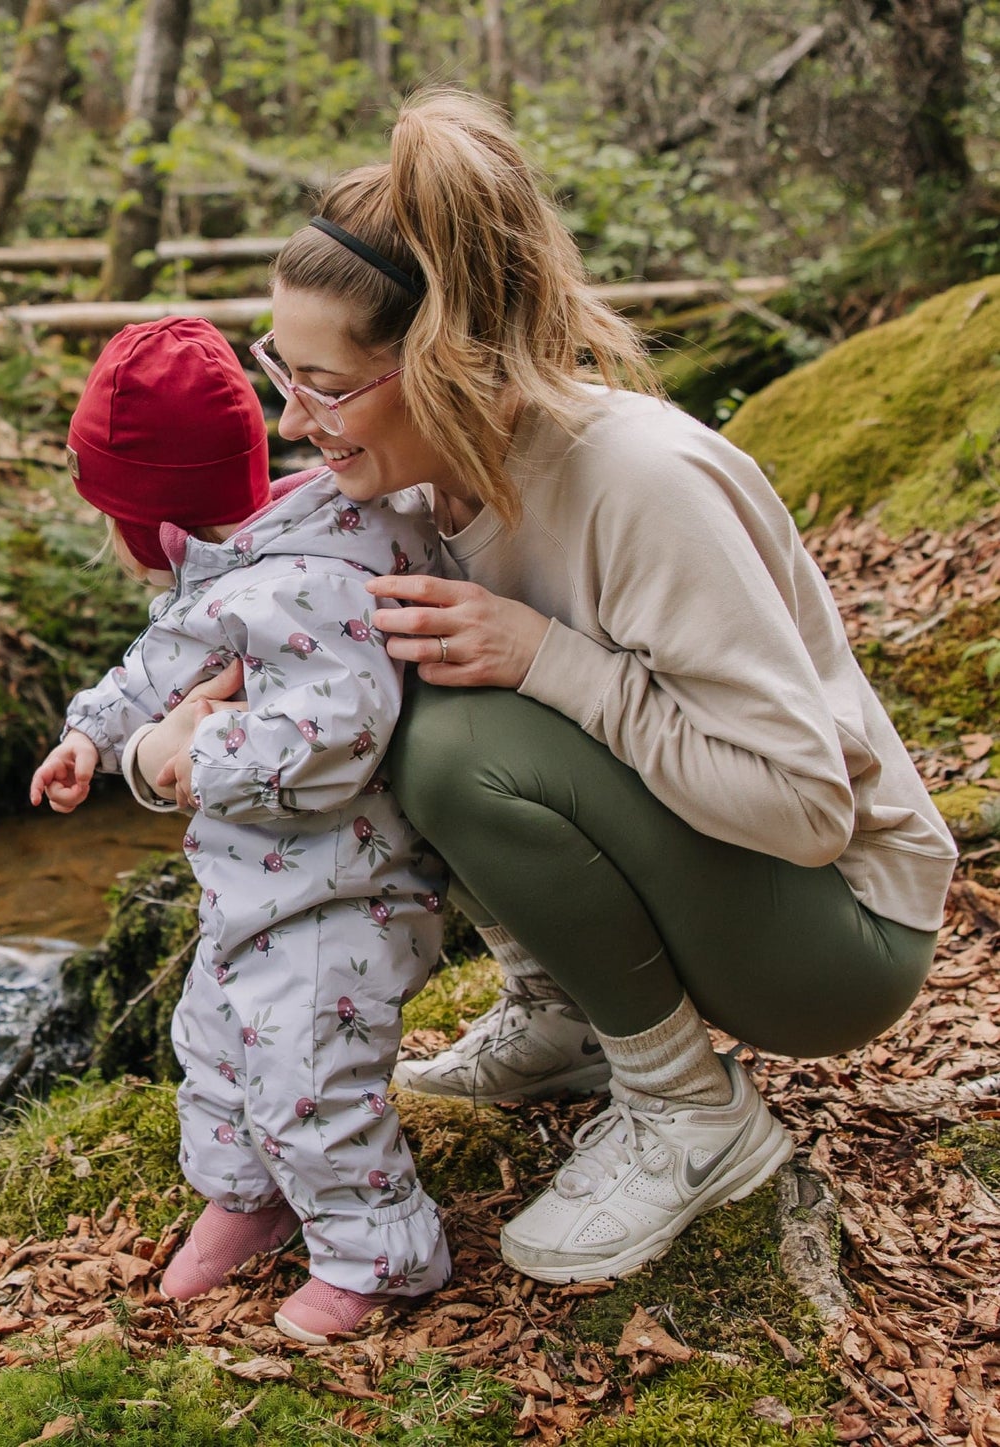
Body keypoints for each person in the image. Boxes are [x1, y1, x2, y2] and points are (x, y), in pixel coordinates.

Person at [141, 89, 957, 1287]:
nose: (289, 417)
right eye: (281, 369)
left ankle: (690, 1115)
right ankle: (570, 1015)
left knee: (453, 738)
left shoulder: (636, 481)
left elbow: (805, 806)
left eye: (320, 384)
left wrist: (546, 659)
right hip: (715, 883)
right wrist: (194, 707)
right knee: (397, 696)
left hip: (835, 934)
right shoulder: (413, 488)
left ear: (436, 360)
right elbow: (301, 641)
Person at [29, 316, 451, 1342]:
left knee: (309, 1070)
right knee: (212, 1042)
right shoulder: (238, 553)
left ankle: (377, 1253)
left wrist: (189, 761)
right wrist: (93, 729)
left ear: (147, 514)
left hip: (345, 892)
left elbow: (336, 731)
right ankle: (250, 1197)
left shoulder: (308, 578)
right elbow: (161, 660)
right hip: (261, 886)